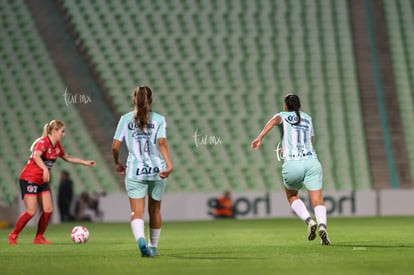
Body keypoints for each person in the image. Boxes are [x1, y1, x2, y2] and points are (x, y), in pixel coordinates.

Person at [251, 94, 331, 245]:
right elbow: (310, 141)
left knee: (292, 196)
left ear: (285, 106)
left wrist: (260, 137)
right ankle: (322, 226)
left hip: (292, 163)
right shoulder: (308, 118)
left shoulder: (282, 115)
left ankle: (309, 221)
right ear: (299, 105)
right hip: (311, 162)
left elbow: (274, 121)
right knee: (317, 200)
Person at [8, 120, 96, 245]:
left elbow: (68, 157)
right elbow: (36, 156)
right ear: (54, 131)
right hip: (30, 178)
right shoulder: (43, 142)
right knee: (31, 211)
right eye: (62, 131)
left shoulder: (57, 146)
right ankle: (13, 235)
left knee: (48, 210)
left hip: (41, 181)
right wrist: (44, 168)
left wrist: (85, 162)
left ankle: (38, 237)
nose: (63, 134)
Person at [112, 85, 173, 257]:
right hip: (157, 170)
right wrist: (169, 165)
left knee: (136, 212)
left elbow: (115, 146)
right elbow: (161, 143)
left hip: (134, 171)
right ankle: (153, 247)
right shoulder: (159, 119)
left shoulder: (125, 119)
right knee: (155, 210)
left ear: (134, 99)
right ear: (151, 100)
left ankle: (141, 242)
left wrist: (118, 162)